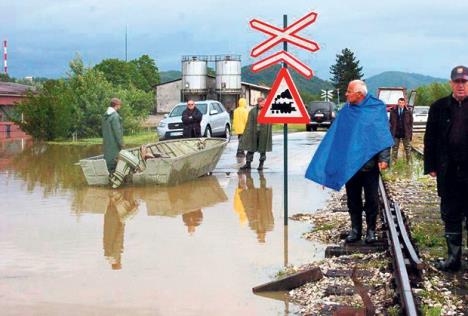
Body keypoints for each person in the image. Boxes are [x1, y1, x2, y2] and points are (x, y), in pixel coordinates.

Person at [305, 80, 393, 244]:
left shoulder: (376, 107)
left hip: (369, 165)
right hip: (349, 166)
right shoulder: (346, 111)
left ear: (359, 94)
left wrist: (384, 158)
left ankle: (371, 231)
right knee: (353, 199)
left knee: (372, 199)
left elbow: (383, 134)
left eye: (348, 91)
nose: (346, 94)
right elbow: (336, 140)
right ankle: (356, 230)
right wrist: (329, 170)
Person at [424, 65, 468, 272]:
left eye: (464, 82)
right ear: (451, 83)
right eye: (457, 82)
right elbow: (430, 139)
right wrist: (430, 165)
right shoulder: (438, 106)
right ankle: (453, 258)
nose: (460, 86)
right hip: (448, 170)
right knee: (450, 214)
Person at [239, 97, 273, 170]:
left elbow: (271, 121)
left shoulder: (268, 111)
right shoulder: (253, 111)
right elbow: (249, 123)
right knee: (251, 148)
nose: (263, 103)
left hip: (263, 132)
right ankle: (248, 163)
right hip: (253, 132)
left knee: (262, 148)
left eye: (264, 102)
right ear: (258, 102)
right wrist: (247, 132)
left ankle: (261, 164)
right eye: (261, 102)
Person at [102, 98, 124, 173]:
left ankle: (107, 175)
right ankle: (113, 177)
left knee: (108, 159)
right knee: (114, 161)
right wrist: (121, 143)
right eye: (120, 105)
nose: (120, 107)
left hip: (107, 143)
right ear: (116, 105)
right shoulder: (115, 116)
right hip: (114, 144)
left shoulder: (105, 115)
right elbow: (117, 131)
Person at [389, 97, 413, 162]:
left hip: (405, 133)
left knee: (407, 148)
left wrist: (410, 134)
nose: (401, 104)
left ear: (404, 103)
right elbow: (390, 122)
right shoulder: (393, 111)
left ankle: (409, 162)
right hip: (396, 132)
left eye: (402, 103)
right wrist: (391, 132)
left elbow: (411, 124)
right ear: (398, 103)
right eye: (400, 102)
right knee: (395, 148)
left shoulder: (408, 112)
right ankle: (394, 161)